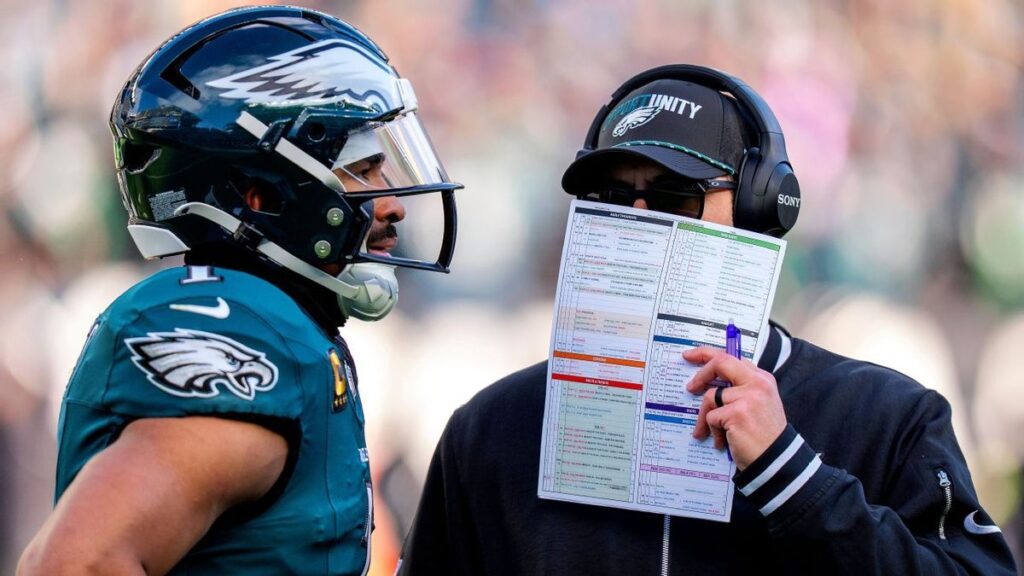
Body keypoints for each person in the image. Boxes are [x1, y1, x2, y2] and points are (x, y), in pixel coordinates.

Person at [397, 65, 1017, 574]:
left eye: (674, 196)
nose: (639, 218)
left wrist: (792, 477)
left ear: (759, 208)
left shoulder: (886, 416)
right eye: (610, 197)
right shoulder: (490, 430)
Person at [17, 6, 460, 575]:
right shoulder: (241, 327)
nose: (394, 201)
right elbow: (77, 564)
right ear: (261, 196)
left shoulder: (285, 323)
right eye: (363, 171)